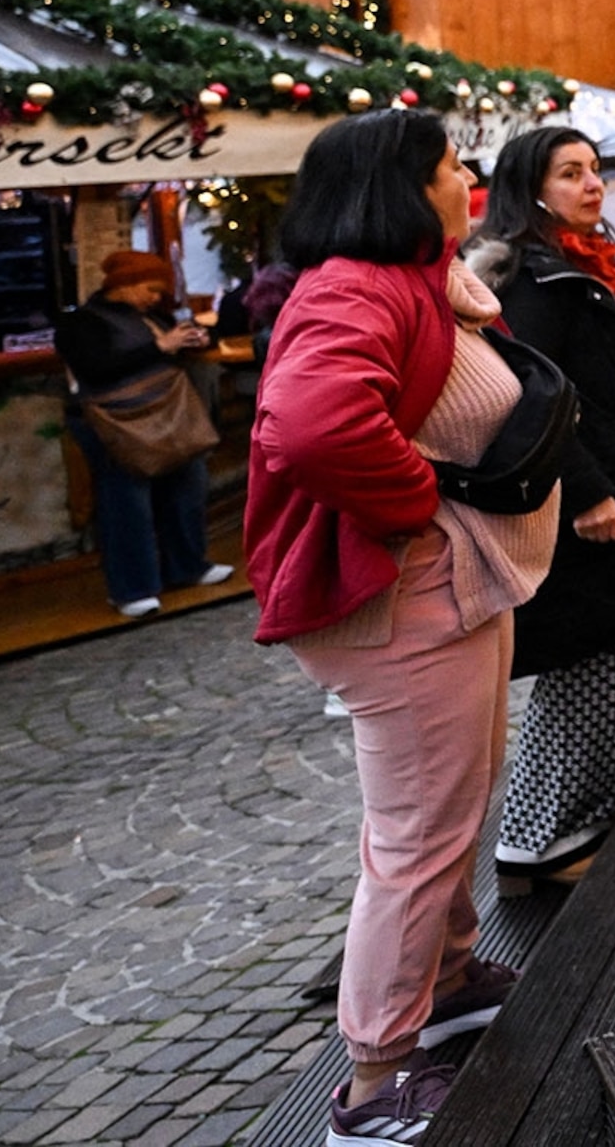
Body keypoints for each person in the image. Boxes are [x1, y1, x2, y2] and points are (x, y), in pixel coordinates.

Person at [244, 109, 549, 1143]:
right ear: (400, 186)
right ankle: (375, 1079)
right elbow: (312, 419)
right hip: (406, 592)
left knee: (444, 809)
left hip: (445, 586)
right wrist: (414, 501)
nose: (468, 180)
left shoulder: (409, 279)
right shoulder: (356, 286)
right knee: (417, 835)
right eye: (454, 165)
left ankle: (452, 979)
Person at [467, 129, 615, 892]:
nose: (592, 184)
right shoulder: (532, 278)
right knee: (593, 656)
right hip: (585, 499)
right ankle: (547, 839)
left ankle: (579, 813)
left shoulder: (579, 265)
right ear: (530, 189)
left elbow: (599, 366)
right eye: (571, 173)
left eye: (594, 170)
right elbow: (529, 392)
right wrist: (589, 487)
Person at [55, 251, 233, 617]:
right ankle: (132, 588)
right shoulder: (80, 324)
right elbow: (96, 368)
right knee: (126, 502)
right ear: (125, 285)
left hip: (166, 417)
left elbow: (173, 349)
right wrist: (159, 347)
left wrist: (197, 340)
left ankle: (188, 566)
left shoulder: (153, 317)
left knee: (188, 487)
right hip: (117, 424)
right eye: (151, 289)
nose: (155, 297)